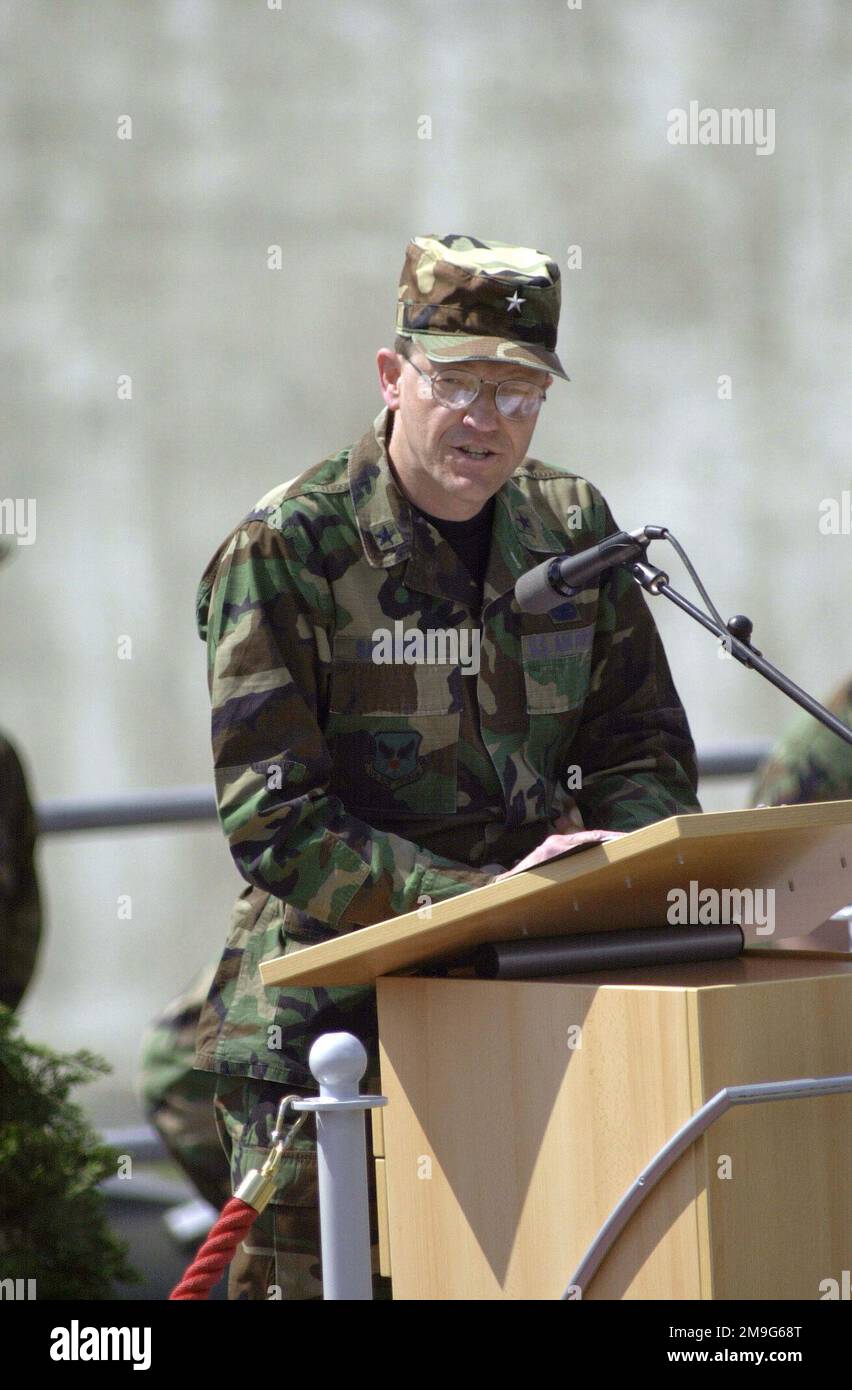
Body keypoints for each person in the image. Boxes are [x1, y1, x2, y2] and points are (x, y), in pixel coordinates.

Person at [192, 233, 702, 1299]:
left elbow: (638, 742)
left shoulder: (571, 529)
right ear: (393, 376)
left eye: (520, 391)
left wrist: (619, 872)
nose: (489, 418)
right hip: (332, 1028)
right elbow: (277, 820)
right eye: (460, 381)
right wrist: (479, 904)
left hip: (532, 1009)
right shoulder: (288, 548)